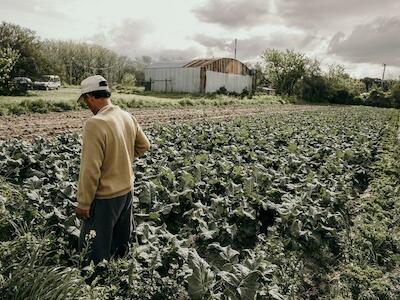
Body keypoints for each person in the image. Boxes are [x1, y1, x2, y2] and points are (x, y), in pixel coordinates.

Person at [75, 75, 150, 265]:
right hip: (126, 193)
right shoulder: (126, 116)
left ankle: (94, 288)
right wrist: (121, 160)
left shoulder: (95, 123)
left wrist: (83, 204)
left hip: (104, 200)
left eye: (85, 101)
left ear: (90, 97)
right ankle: (120, 283)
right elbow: (144, 145)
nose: (87, 106)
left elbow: (90, 170)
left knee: (93, 255)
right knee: (120, 248)